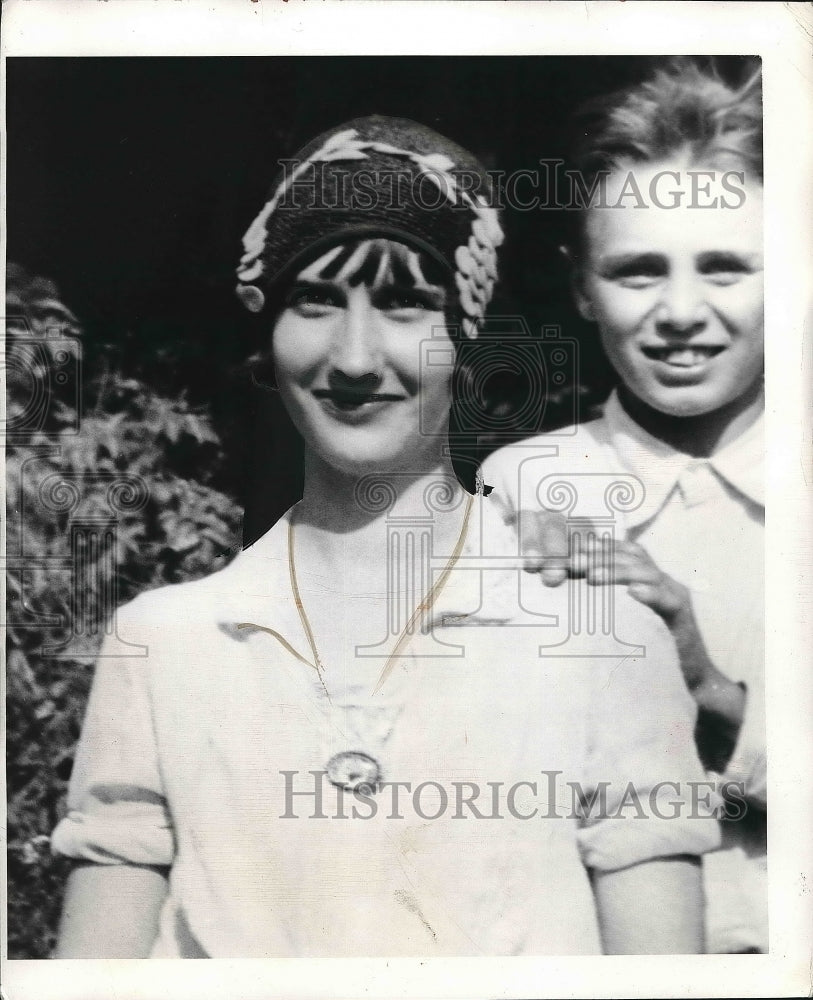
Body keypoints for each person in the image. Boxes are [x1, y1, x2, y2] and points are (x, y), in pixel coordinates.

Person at [52, 116, 719, 958]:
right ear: (266, 333)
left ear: (469, 336)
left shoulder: (604, 639)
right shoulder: (162, 644)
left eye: (406, 303)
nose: (357, 357)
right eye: (315, 300)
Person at [482, 60, 766, 953]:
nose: (681, 312)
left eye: (724, 267)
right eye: (637, 272)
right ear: (579, 287)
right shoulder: (515, 490)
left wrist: (704, 686)